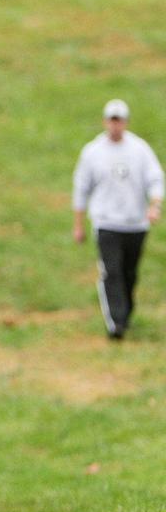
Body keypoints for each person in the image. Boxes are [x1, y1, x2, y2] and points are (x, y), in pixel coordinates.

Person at [72, 99, 163, 339]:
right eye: (112, 120)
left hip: (135, 223)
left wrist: (155, 205)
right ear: (105, 122)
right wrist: (79, 224)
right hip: (107, 223)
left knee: (129, 273)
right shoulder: (92, 152)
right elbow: (81, 189)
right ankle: (116, 324)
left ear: (125, 122)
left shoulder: (140, 149)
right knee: (111, 272)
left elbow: (155, 178)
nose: (115, 125)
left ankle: (126, 314)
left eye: (119, 120)